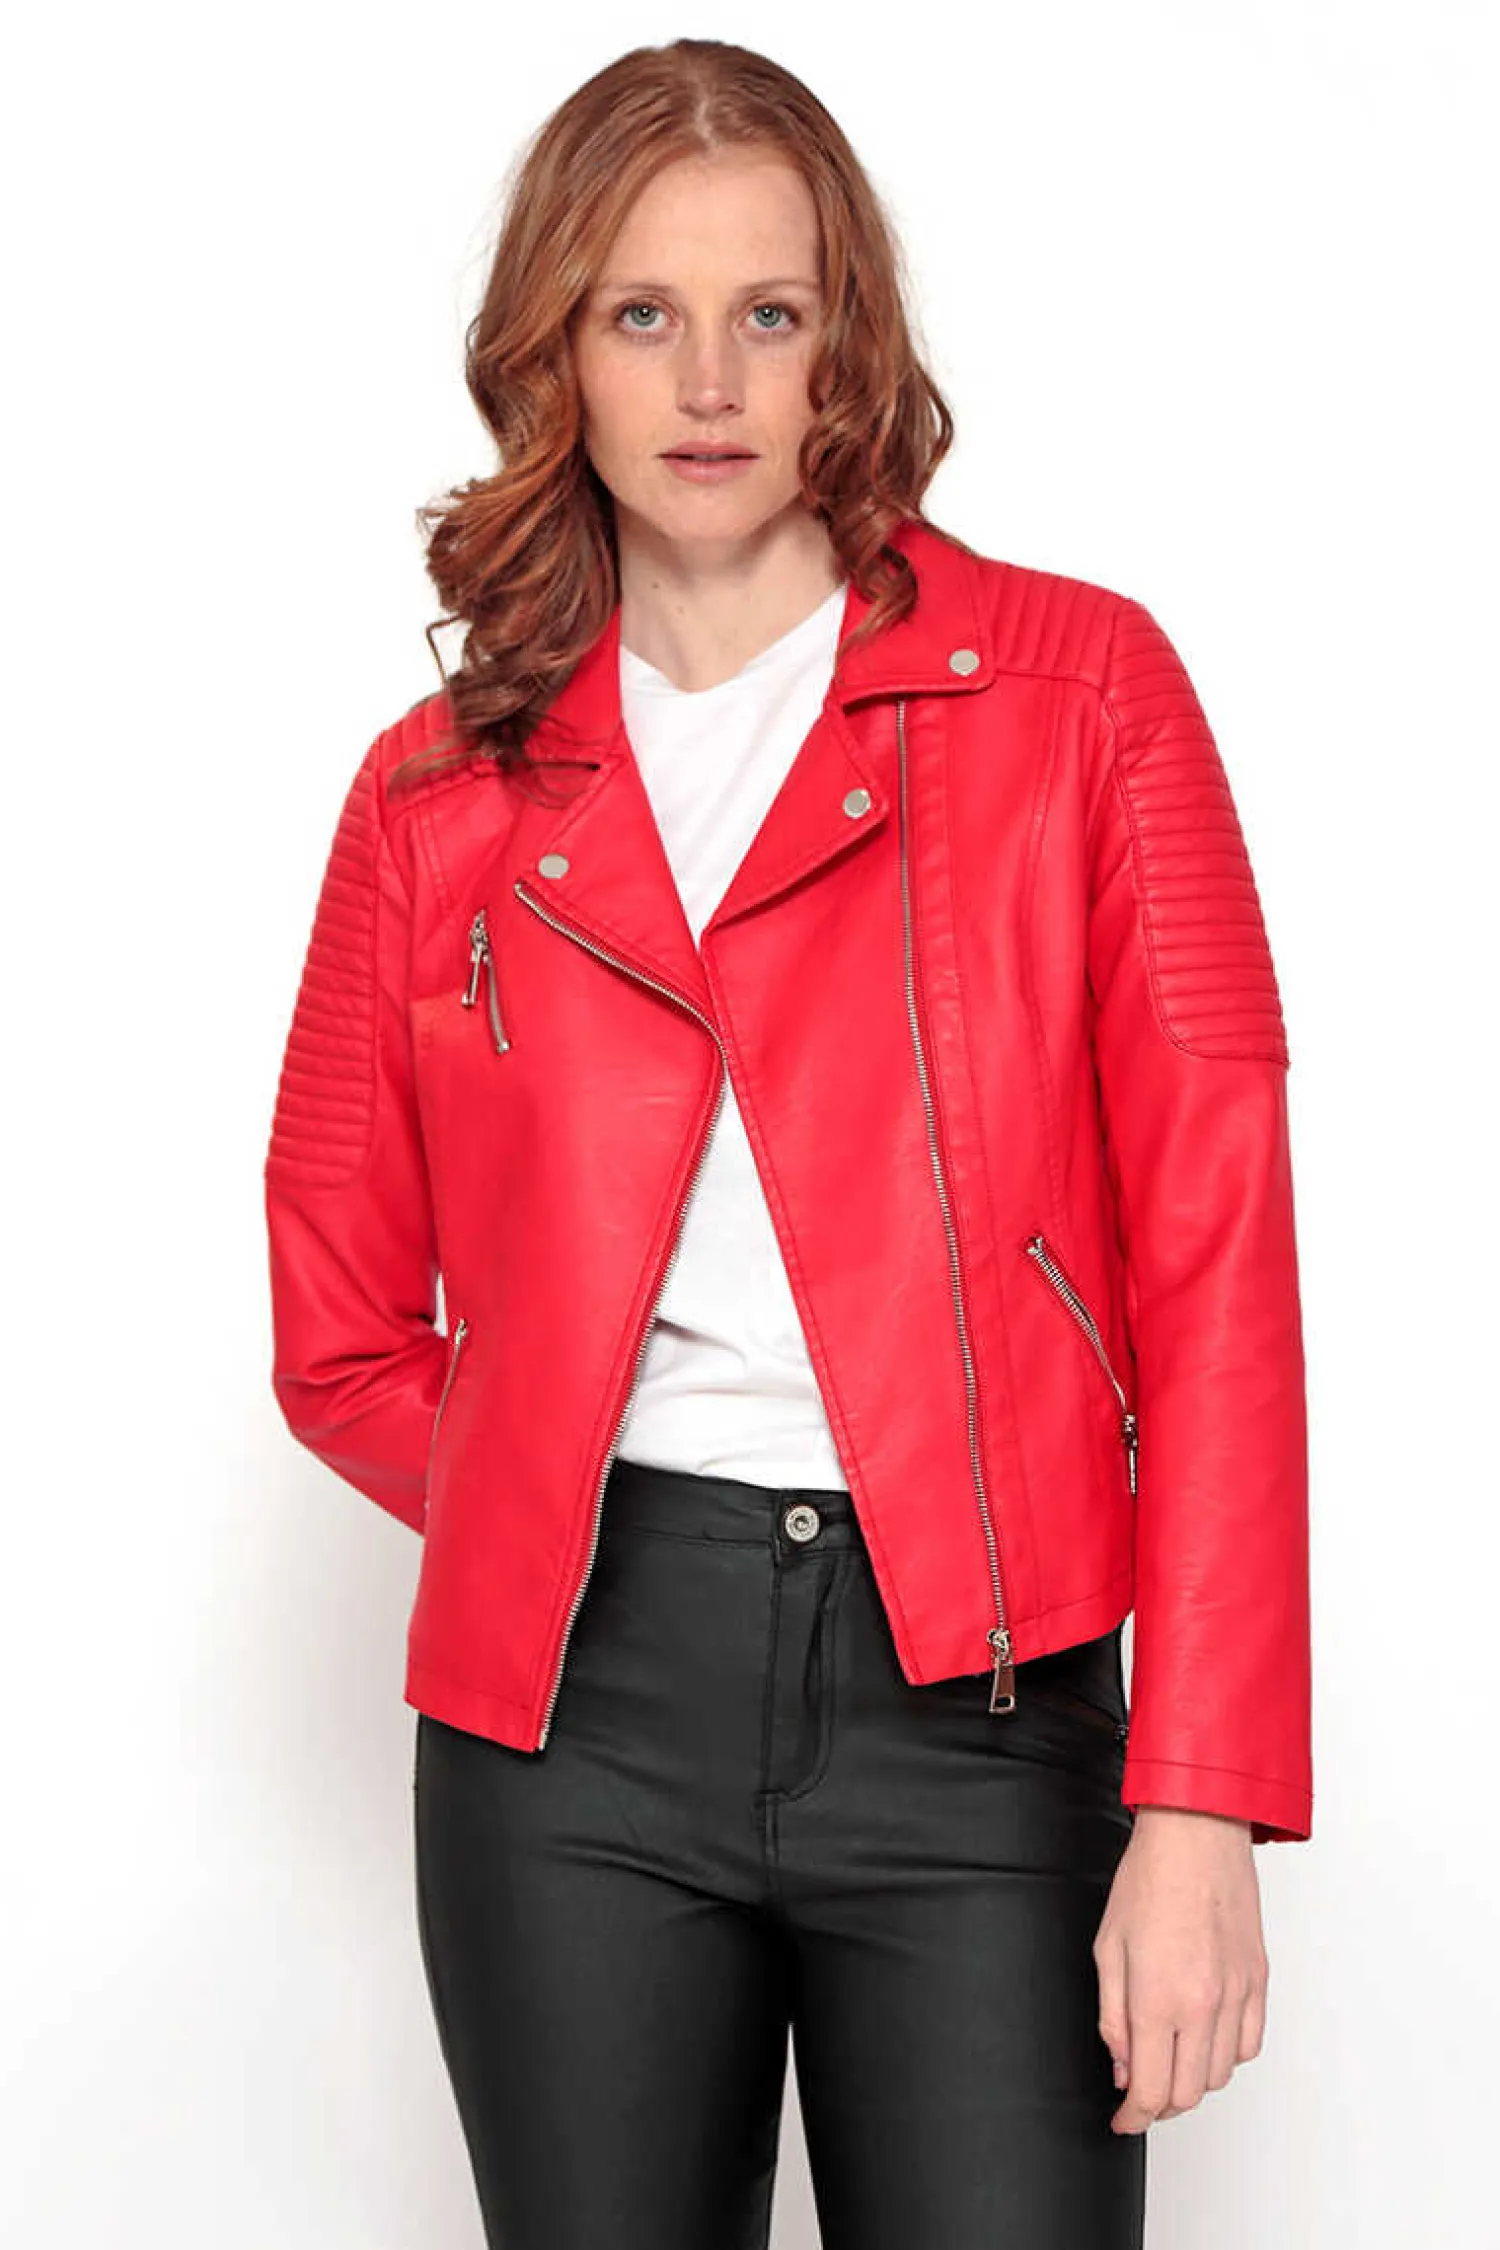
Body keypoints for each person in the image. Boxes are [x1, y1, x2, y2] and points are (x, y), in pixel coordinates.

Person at [262, 35, 1312, 2250]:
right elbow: (341, 1331)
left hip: (990, 1701)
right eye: (643, 313)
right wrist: (567, 1496)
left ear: (853, 339)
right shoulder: (433, 801)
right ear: (553, 349)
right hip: (567, 1727)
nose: (713, 381)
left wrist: (1202, 1796)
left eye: (773, 311)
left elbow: (1220, 1274)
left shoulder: (1082, 699)